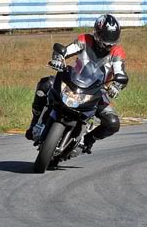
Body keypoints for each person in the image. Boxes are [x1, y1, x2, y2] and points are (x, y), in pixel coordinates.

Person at [26, 14, 129, 154]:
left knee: (112, 123)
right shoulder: (85, 40)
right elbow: (67, 50)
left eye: (112, 39)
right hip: (73, 81)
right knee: (45, 84)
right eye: (106, 38)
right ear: (97, 33)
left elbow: (120, 71)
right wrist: (58, 58)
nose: (109, 43)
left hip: (99, 90)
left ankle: (89, 139)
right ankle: (35, 122)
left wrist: (117, 85)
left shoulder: (117, 52)